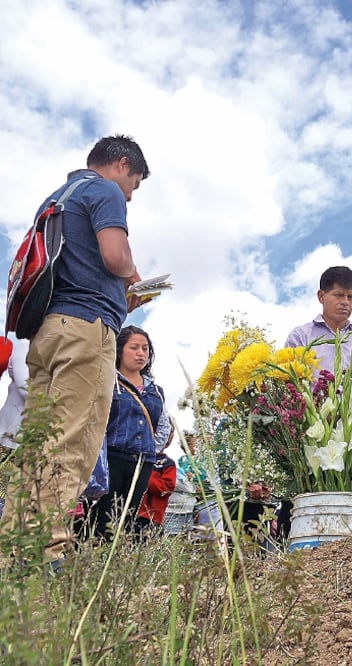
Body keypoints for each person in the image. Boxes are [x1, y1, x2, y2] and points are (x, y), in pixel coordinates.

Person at [0, 135, 149, 562]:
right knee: (74, 441)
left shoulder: (57, 197)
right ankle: (47, 551)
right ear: (122, 165)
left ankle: (13, 550)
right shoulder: (104, 190)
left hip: (48, 330)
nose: (130, 197)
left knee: (37, 443)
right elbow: (115, 256)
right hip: (85, 329)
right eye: (134, 186)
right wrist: (133, 279)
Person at [92, 325, 167, 538]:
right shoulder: (108, 382)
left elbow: (163, 427)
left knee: (128, 518)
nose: (141, 353)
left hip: (143, 462)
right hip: (112, 459)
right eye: (134, 347)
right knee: (103, 517)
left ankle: (117, 562)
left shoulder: (155, 391)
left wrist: (149, 449)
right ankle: (94, 560)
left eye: (145, 349)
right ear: (119, 350)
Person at [285, 266, 352, 379]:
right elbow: (289, 383)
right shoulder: (301, 337)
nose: (345, 302)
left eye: (350, 297)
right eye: (339, 295)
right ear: (321, 296)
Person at [0, 337, 29, 519]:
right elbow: (28, 389)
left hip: (33, 441)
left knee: (19, 498)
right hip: (10, 436)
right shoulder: (25, 346)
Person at [135, 451, 177, 534]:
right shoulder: (135, 457)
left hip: (151, 515)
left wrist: (144, 478)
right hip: (129, 511)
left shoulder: (167, 463)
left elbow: (166, 488)